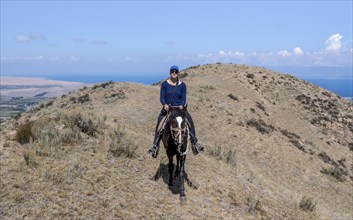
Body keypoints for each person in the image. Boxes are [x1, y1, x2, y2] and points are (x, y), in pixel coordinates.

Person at [148, 65, 204, 158]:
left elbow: (183, 98)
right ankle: (155, 145)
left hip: (179, 109)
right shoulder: (164, 84)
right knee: (160, 124)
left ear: (178, 73)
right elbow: (162, 97)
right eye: (172, 71)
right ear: (170, 73)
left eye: (176, 72)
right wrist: (165, 104)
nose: (174, 73)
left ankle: (195, 143)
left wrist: (182, 105)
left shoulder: (182, 85)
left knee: (190, 122)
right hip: (168, 109)